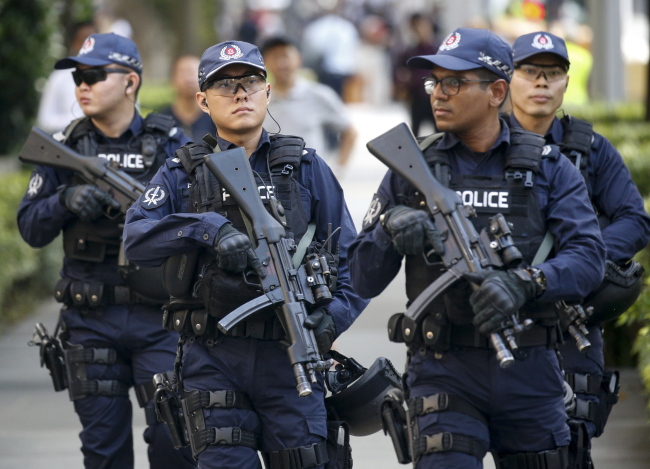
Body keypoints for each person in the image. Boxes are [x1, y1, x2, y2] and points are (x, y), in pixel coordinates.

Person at [349, 27, 607, 468]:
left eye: (455, 83)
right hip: (443, 368)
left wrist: (527, 283)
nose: (438, 94)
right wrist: (390, 230)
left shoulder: (549, 168)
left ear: (497, 91)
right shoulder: (411, 168)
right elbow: (359, 276)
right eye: (435, 82)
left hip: (529, 367)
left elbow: (588, 258)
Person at [122, 40, 368, 469]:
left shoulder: (306, 167)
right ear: (202, 100)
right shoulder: (182, 172)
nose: (240, 93)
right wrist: (207, 229)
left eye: (250, 82)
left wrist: (333, 318)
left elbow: (356, 261)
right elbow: (136, 238)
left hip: (291, 355)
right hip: (213, 355)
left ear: (268, 91)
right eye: (225, 85)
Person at [17, 33, 196, 469]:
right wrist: (63, 202)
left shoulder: (171, 142)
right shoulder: (65, 148)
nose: (82, 84)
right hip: (90, 319)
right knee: (104, 452)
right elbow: (30, 228)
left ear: (131, 82)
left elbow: (199, 222)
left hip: (160, 320)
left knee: (176, 445)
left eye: (95, 75)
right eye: (79, 75)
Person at [509, 31, 650, 467]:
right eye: (530, 72)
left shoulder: (589, 149)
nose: (541, 83)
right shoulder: (483, 146)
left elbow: (634, 220)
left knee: (570, 445)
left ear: (566, 82)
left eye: (552, 74)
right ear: (506, 80)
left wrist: (580, 259)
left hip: (571, 320)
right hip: (496, 324)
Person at [261, 36, 357, 175]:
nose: (281, 63)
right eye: (275, 57)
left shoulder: (318, 95)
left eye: (286, 56)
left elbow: (349, 132)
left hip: (311, 181)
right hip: (270, 181)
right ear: (265, 62)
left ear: (299, 59)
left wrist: (338, 170)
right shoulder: (259, 99)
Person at [36, 22, 97, 134]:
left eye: (93, 42)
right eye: (77, 78)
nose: (83, 87)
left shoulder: (114, 77)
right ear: (74, 42)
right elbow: (44, 120)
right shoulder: (60, 77)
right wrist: (80, 122)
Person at [393, 13, 439, 136]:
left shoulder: (437, 49)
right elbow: (399, 71)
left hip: (434, 97)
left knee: (438, 130)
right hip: (417, 97)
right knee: (415, 131)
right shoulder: (409, 51)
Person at [159, 54, 216, 143]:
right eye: (183, 73)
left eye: (194, 73)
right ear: (172, 79)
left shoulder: (216, 118)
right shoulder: (161, 120)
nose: (189, 79)